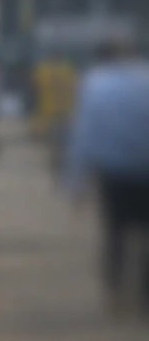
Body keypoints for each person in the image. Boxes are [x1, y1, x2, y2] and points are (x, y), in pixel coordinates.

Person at [63, 39, 149, 313]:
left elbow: (83, 136)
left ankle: (115, 291)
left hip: (114, 174)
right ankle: (144, 295)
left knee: (115, 233)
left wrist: (76, 182)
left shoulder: (95, 85)